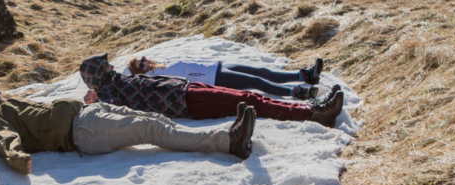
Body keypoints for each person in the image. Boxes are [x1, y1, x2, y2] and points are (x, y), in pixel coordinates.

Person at [0, 78, 257, 174]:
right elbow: (5, 141)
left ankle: (228, 133)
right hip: (83, 132)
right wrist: (17, 160)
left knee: (155, 121)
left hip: (88, 114)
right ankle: (229, 142)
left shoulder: (2, 106)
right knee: (152, 131)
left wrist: (83, 102)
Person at [80, 53, 345, 128]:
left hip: (186, 89)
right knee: (249, 98)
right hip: (185, 101)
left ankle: (310, 106)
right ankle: (314, 113)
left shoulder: (115, 83)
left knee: (250, 95)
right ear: (99, 74)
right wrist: (94, 100)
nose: (110, 64)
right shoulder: (108, 93)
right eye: (105, 65)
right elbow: (113, 114)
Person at [126, 56, 325, 100]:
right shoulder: (155, 76)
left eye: (142, 59)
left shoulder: (160, 65)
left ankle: (305, 76)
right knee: (256, 83)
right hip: (213, 78)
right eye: (140, 66)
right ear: (139, 73)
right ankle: (298, 92)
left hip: (216, 66)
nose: (144, 62)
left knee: (261, 72)